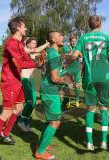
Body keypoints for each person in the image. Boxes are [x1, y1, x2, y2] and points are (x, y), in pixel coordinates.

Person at [0, 17, 42, 160]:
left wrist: (37, 60)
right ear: (18, 28)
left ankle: (5, 134)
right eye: (24, 26)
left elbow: (26, 59)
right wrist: (36, 65)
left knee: (18, 109)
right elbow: (19, 64)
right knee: (6, 113)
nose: (26, 29)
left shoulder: (20, 43)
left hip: (18, 81)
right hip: (10, 82)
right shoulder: (11, 44)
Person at [71, 15, 109, 150]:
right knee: (104, 107)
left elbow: (75, 55)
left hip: (89, 77)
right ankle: (104, 141)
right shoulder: (106, 37)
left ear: (89, 25)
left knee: (90, 108)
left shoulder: (83, 38)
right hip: (104, 76)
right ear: (100, 24)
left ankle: (90, 143)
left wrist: (75, 57)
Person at [35, 31, 72, 159]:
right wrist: (67, 80)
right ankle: (40, 152)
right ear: (54, 40)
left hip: (48, 90)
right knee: (55, 122)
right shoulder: (53, 54)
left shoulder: (50, 52)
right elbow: (55, 78)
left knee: (50, 119)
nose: (63, 37)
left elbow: (46, 70)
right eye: (60, 36)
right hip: (50, 91)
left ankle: (41, 145)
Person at [18, 37, 49, 132]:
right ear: (28, 44)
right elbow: (36, 50)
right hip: (25, 79)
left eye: (35, 43)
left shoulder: (33, 53)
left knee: (33, 102)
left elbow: (39, 56)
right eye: (33, 43)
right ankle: (21, 121)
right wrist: (47, 44)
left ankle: (26, 123)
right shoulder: (24, 50)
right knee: (30, 102)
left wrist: (44, 55)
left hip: (31, 79)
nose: (35, 45)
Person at [62, 35, 81, 109]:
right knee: (66, 86)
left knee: (77, 86)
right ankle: (67, 101)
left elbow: (81, 56)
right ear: (70, 42)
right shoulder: (66, 47)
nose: (73, 42)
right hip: (68, 70)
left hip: (76, 70)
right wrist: (72, 53)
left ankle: (77, 101)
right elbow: (67, 56)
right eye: (72, 41)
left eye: (75, 41)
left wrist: (78, 54)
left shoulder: (78, 48)